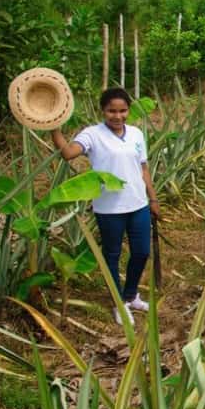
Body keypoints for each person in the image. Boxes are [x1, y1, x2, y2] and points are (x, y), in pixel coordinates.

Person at [51, 88, 159, 326]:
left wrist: (153, 199)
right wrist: (54, 127)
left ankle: (131, 295)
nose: (117, 116)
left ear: (129, 111)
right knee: (112, 255)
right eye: (112, 111)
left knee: (141, 252)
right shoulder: (92, 134)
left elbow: (143, 168)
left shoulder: (136, 134)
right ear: (103, 111)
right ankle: (118, 303)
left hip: (138, 203)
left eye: (122, 111)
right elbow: (69, 153)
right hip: (109, 209)